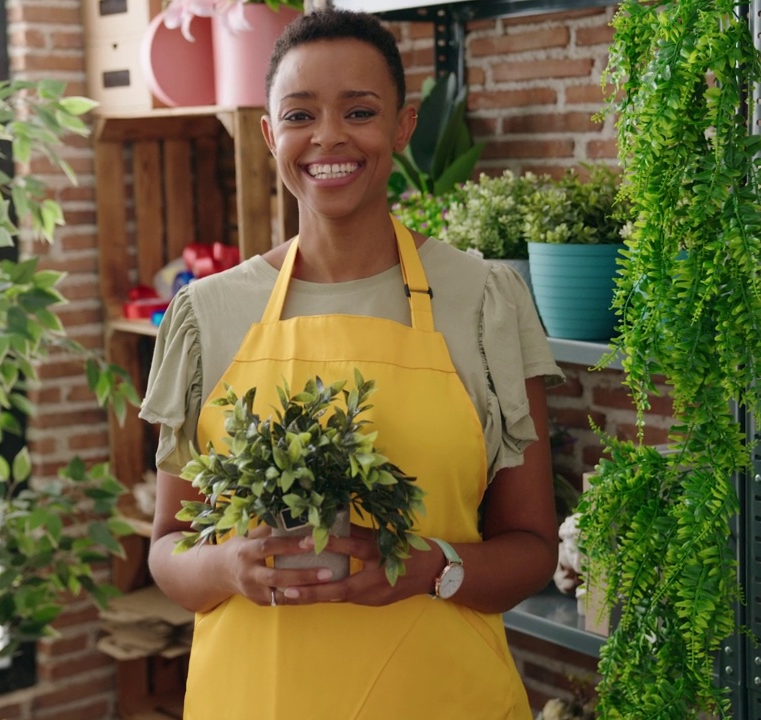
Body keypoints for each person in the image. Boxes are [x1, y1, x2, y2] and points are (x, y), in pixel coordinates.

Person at [139, 9, 563, 719]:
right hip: (254, 698)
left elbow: (530, 548)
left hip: (439, 695)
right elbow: (165, 550)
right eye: (300, 114)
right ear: (271, 135)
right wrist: (224, 565)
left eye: (359, 111)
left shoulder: (485, 300)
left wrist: (431, 567)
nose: (329, 136)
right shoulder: (205, 314)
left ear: (402, 126)